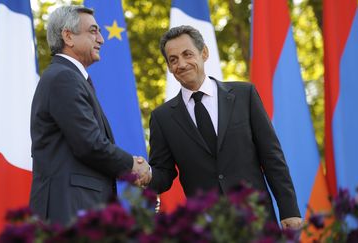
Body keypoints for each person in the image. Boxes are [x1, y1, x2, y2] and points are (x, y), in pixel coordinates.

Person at [146, 25, 302, 229]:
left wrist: (289, 210)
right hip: (208, 228)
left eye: (187, 54)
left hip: (257, 220)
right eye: (173, 60)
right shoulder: (162, 118)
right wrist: (145, 174)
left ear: (204, 53)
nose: (181, 64)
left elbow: (272, 156)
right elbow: (163, 174)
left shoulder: (244, 95)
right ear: (168, 66)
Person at [29, 5, 150, 225]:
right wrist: (132, 166)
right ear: (68, 36)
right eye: (93, 31)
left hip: (78, 207)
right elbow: (89, 144)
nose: (101, 39)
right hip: (69, 211)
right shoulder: (63, 78)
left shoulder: (70, 77)